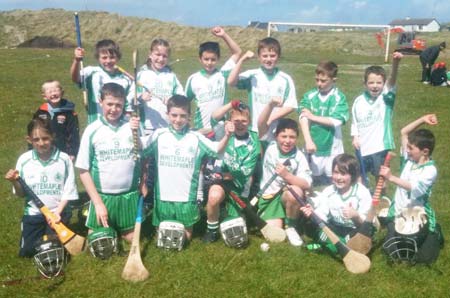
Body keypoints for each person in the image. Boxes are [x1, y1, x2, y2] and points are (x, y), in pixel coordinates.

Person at [145, 95, 232, 243]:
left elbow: (217, 150)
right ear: (167, 114)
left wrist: (228, 135)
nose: (178, 120)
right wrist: (133, 128)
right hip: (163, 198)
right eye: (174, 115)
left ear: (189, 117)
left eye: (182, 116)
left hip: (186, 198)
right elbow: (140, 148)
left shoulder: (196, 138)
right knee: (165, 238)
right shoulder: (159, 135)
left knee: (185, 238)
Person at [75, 83, 142, 250]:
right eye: (109, 104)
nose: (114, 109)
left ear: (124, 104)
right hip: (103, 197)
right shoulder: (92, 130)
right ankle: (98, 218)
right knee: (99, 241)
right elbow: (83, 170)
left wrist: (136, 131)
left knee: (132, 239)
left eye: (118, 105)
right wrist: (97, 203)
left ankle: (123, 228)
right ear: (100, 102)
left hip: (128, 196)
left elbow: (141, 154)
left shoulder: (131, 126)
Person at [5, 117, 78, 257]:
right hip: (34, 214)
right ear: (29, 140)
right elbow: (21, 194)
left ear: (53, 136)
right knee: (28, 252)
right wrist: (14, 182)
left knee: (53, 252)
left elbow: (69, 190)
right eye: (36, 140)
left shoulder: (64, 159)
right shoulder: (24, 160)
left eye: (45, 138)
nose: (41, 143)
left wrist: (58, 212)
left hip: (58, 215)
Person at [379, 114, 442, 264]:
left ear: (424, 152)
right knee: (392, 253)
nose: (407, 150)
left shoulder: (430, 170)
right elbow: (404, 132)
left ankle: (434, 232)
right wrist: (422, 119)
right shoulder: (408, 160)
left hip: (418, 214)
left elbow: (414, 187)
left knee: (423, 260)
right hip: (400, 212)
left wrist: (391, 177)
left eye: (411, 148)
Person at [202, 100, 261, 243]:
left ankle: (226, 211)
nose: (240, 124)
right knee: (214, 196)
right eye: (236, 120)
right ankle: (212, 230)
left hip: (239, 184)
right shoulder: (224, 130)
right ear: (230, 121)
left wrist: (222, 175)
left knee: (235, 224)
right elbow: (214, 117)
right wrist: (230, 105)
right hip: (220, 181)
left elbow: (244, 173)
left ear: (249, 121)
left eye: (244, 121)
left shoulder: (254, 141)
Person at [229, 37, 297, 144]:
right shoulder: (252, 75)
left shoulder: (285, 79)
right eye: (265, 56)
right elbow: (231, 82)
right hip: (254, 130)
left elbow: (291, 105)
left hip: (276, 131)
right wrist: (241, 60)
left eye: (272, 56)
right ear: (259, 57)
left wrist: (270, 119)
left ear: (278, 56)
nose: (268, 59)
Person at [300, 154, 371, 254]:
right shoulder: (329, 191)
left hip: (354, 229)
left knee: (366, 233)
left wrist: (355, 216)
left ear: (353, 175)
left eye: (343, 174)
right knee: (311, 225)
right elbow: (322, 214)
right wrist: (312, 213)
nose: (338, 177)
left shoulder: (362, 192)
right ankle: (340, 246)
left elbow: (366, 223)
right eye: (336, 172)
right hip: (336, 228)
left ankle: (328, 246)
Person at [257, 118, 312, 246]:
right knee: (274, 235)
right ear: (276, 136)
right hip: (269, 197)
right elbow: (261, 124)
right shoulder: (269, 146)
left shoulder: (299, 156)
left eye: (292, 137)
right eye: (283, 136)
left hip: (287, 195)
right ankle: (287, 218)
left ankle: (291, 226)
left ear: (297, 138)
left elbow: (306, 184)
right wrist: (271, 104)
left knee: (296, 192)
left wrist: (288, 176)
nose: (287, 141)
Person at [351, 52, 403, 185]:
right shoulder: (358, 101)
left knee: (380, 179)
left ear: (384, 84)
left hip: (379, 147)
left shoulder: (385, 98)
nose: (375, 86)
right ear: (365, 83)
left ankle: (381, 201)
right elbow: (355, 121)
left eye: (379, 83)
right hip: (362, 147)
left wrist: (395, 63)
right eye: (371, 82)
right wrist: (355, 137)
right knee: (359, 177)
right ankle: (363, 201)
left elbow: (392, 79)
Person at [298, 61, 349, 186]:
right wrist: (308, 140)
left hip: (333, 148)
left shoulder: (339, 98)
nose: (319, 84)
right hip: (313, 147)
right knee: (311, 182)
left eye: (323, 80)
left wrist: (313, 116)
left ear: (333, 80)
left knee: (334, 181)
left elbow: (336, 121)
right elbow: (303, 118)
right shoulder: (310, 96)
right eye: (317, 80)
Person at [185, 26, 242, 137]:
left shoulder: (223, 74)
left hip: (221, 128)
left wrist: (223, 35)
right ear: (200, 59)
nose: (209, 63)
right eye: (206, 59)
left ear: (218, 59)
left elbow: (237, 52)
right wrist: (186, 122)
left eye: (213, 59)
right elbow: (183, 103)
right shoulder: (194, 79)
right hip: (201, 130)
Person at [71, 39, 133, 124]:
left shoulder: (126, 79)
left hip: (119, 126)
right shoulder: (91, 72)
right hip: (96, 123)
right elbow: (75, 78)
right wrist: (77, 60)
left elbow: (128, 104)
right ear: (98, 58)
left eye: (112, 57)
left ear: (118, 57)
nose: (108, 61)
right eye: (104, 57)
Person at [136, 38, 184, 136]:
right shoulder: (142, 75)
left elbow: (182, 99)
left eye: (164, 56)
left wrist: (172, 101)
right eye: (158, 55)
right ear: (150, 54)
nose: (161, 59)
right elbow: (130, 101)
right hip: (147, 128)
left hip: (168, 127)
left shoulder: (171, 76)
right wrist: (141, 98)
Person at [33, 80, 80, 161]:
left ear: (62, 92)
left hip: (64, 152)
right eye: (50, 92)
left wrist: (72, 152)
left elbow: (74, 134)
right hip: (44, 151)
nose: (53, 94)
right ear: (44, 96)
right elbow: (34, 133)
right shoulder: (40, 113)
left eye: (56, 90)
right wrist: (32, 149)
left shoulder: (69, 113)